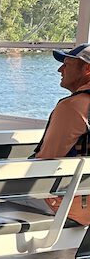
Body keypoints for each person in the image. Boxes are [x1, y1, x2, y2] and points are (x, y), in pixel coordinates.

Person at [28, 43, 90, 223]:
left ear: (87, 68)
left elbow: (46, 161)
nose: (59, 69)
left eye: (67, 64)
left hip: (74, 204)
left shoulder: (73, 107)